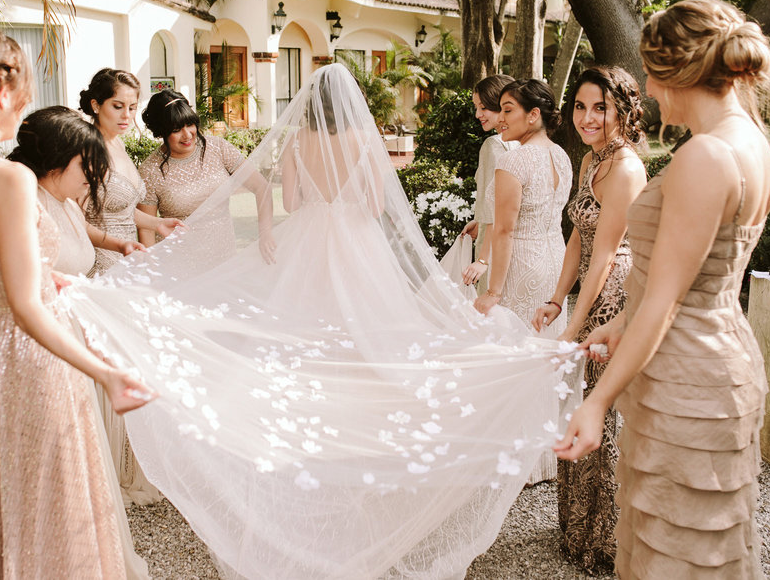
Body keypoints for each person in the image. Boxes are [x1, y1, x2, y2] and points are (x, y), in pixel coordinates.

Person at [62, 64, 579, 579]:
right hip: (357, 240)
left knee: (299, 332)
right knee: (368, 329)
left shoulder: (297, 143)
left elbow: (290, 201)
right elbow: (376, 205)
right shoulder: (363, 139)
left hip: (308, 239)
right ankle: (362, 418)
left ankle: (301, 414)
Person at [0, 24, 153, 578]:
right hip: (27, 358)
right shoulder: (8, 179)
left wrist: (38, 282)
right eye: (22, 92)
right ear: (1, 95)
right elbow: (25, 306)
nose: (23, 106)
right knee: (49, 494)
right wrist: (107, 373)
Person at [555, 0, 770, 578]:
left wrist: (597, 402)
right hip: (716, 351)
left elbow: (667, 297)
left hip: (689, 376)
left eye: (652, 75)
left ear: (679, 73)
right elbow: (703, 277)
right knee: (697, 541)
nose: (649, 92)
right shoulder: (752, 142)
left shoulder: (706, 155)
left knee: (677, 550)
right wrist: (619, 322)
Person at [7, 106, 151, 579]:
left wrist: (118, 244)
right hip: (46, 342)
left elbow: (79, 233)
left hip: (77, 329)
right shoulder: (22, 203)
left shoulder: (64, 199)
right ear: (54, 163)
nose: (92, 179)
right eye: (84, 168)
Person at [530, 67, 647, 572]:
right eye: (580, 106)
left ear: (622, 109)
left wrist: (573, 332)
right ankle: (575, 529)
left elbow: (603, 257)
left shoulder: (624, 169)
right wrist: (558, 299)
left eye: (600, 107)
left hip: (616, 297)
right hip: (587, 294)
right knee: (578, 404)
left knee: (606, 413)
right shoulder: (591, 161)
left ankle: (605, 541)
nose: (587, 117)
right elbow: (578, 234)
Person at [461, 79, 573, 485]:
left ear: (533, 115)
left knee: (514, 357)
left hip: (522, 262)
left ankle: (515, 459)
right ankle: (543, 456)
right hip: (554, 260)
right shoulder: (562, 157)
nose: (501, 117)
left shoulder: (513, 162)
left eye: (508, 110)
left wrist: (492, 291)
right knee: (543, 357)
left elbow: (505, 231)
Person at [136, 89, 276, 266]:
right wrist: (152, 269)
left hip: (225, 257)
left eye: (190, 124)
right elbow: (146, 228)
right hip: (178, 264)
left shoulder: (219, 148)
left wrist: (265, 234)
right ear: (162, 132)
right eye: (177, 129)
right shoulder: (150, 171)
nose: (187, 135)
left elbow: (261, 187)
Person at [8, 106, 146, 277]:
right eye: (85, 164)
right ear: (55, 160)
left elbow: (82, 228)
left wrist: (120, 245)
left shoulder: (70, 204)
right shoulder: (30, 207)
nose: (94, 174)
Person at [78, 68, 180, 275]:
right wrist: (118, 246)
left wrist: (157, 223)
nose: (127, 115)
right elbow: (75, 220)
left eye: (132, 108)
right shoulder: (88, 152)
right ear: (96, 105)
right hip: (99, 262)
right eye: (118, 106)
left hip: (127, 258)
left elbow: (119, 210)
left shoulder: (118, 144)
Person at [460, 74, 519, 295]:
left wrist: (483, 259)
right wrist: (479, 221)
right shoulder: (524, 143)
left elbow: (496, 209)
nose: (477, 115)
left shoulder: (493, 146)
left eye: (483, 107)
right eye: (476, 107)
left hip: (495, 249)